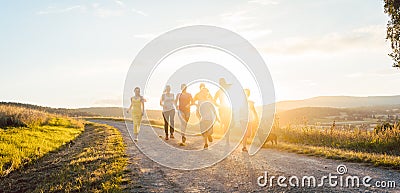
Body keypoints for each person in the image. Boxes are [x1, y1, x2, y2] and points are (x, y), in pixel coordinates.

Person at [214, 78, 232, 145]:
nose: (221, 84)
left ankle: (227, 138)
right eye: (220, 83)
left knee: (228, 124)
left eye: (222, 82)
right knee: (225, 123)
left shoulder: (227, 90)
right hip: (222, 108)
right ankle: (226, 137)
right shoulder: (218, 92)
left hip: (228, 108)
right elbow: (214, 100)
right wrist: (218, 105)